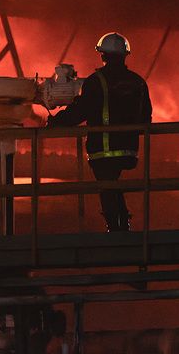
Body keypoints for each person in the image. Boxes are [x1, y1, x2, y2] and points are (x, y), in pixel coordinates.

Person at [48, 32, 153, 231]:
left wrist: (56, 122)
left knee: (106, 185)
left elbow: (80, 111)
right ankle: (123, 225)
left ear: (102, 55)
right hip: (129, 149)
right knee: (111, 182)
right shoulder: (138, 82)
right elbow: (146, 117)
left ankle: (115, 228)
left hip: (102, 149)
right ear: (125, 55)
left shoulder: (96, 81)